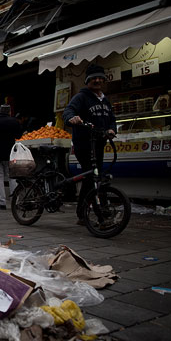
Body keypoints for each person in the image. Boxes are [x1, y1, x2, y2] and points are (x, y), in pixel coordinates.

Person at [63, 63, 117, 225]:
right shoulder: (81, 97)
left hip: (99, 143)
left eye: (100, 78)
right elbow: (68, 111)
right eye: (94, 78)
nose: (98, 81)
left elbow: (112, 120)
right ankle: (88, 213)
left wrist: (112, 130)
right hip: (84, 144)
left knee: (94, 177)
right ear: (88, 80)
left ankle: (86, 213)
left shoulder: (104, 100)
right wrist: (72, 118)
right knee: (91, 176)